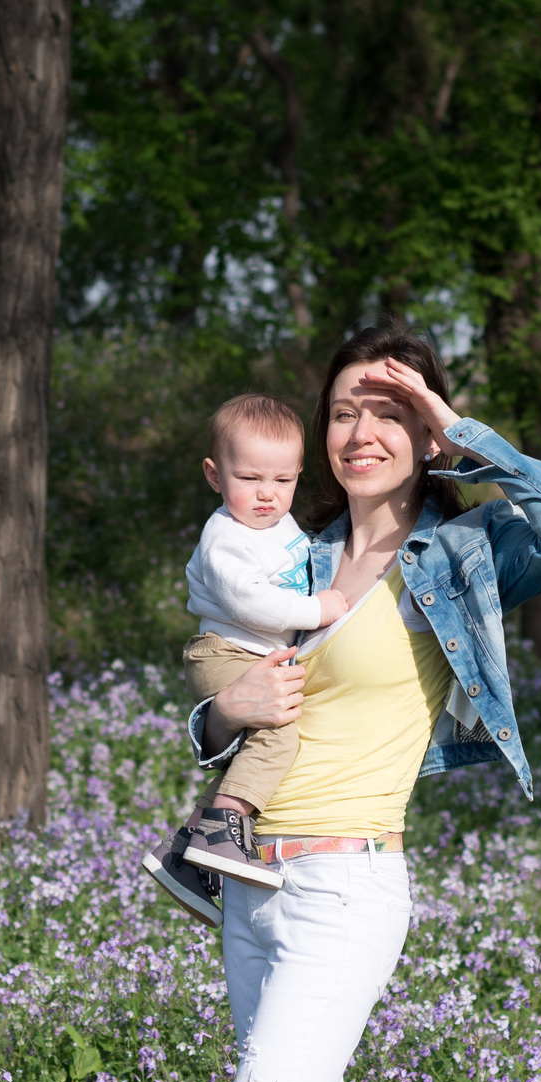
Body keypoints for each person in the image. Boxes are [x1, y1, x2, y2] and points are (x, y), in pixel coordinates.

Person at [191, 322, 541, 1082]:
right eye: (344, 413)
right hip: (251, 888)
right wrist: (223, 713)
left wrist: (460, 430)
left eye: (391, 412)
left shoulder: (458, 557)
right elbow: (228, 708)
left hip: (344, 891)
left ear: (424, 433)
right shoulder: (288, 561)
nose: (362, 432)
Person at [143, 394, 353, 926]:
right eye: (251, 479)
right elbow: (249, 603)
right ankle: (223, 829)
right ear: (215, 475)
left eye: (282, 482)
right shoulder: (226, 536)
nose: (267, 495)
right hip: (225, 652)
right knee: (278, 731)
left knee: (257, 749)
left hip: (253, 654)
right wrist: (315, 608)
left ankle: (186, 851)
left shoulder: (278, 525)